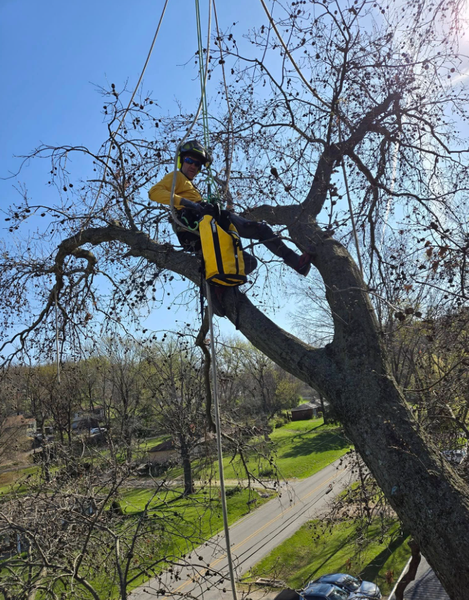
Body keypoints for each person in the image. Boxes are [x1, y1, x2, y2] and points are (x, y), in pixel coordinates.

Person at [148, 140, 311, 276]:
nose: (193, 166)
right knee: (261, 230)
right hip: (202, 225)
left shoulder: (189, 184)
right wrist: (189, 204)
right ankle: (296, 262)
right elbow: (154, 192)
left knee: (248, 263)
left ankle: (219, 290)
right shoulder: (176, 177)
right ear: (181, 161)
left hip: (207, 230)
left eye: (197, 164)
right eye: (189, 161)